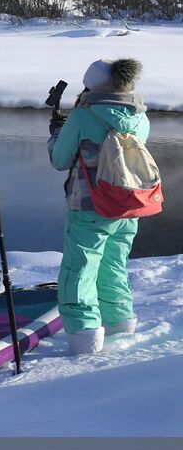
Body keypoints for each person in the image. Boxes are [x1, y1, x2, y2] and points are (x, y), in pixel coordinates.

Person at [48, 58, 148, 355]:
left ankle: (85, 333)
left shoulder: (83, 116)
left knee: (79, 269)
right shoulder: (140, 116)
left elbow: (59, 159)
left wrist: (56, 133)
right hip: (128, 205)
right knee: (113, 264)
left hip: (89, 206)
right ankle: (119, 322)